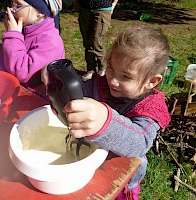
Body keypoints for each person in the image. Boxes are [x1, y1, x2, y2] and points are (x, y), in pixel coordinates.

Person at [42, 26, 171, 200]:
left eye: (126, 76)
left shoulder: (150, 107)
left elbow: (139, 143)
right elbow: (77, 93)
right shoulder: (100, 84)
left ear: (152, 81)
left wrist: (106, 121)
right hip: (88, 168)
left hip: (120, 179)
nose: (113, 80)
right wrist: (59, 86)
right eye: (110, 67)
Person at [0, 0, 64, 98]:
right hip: (10, 89)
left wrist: (13, 36)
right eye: (12, 4)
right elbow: (6, 59)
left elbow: (21, 72)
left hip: (32, 102)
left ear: (40, 12)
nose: (11, 10)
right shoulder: (26, 30)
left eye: (18, 5)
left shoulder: (50, 41)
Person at [75, 0, 118, 80]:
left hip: (102, 8)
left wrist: (114, 4)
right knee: (87, 41)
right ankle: (91, 69)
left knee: (96, 42)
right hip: (84, 8)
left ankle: (103, 69)